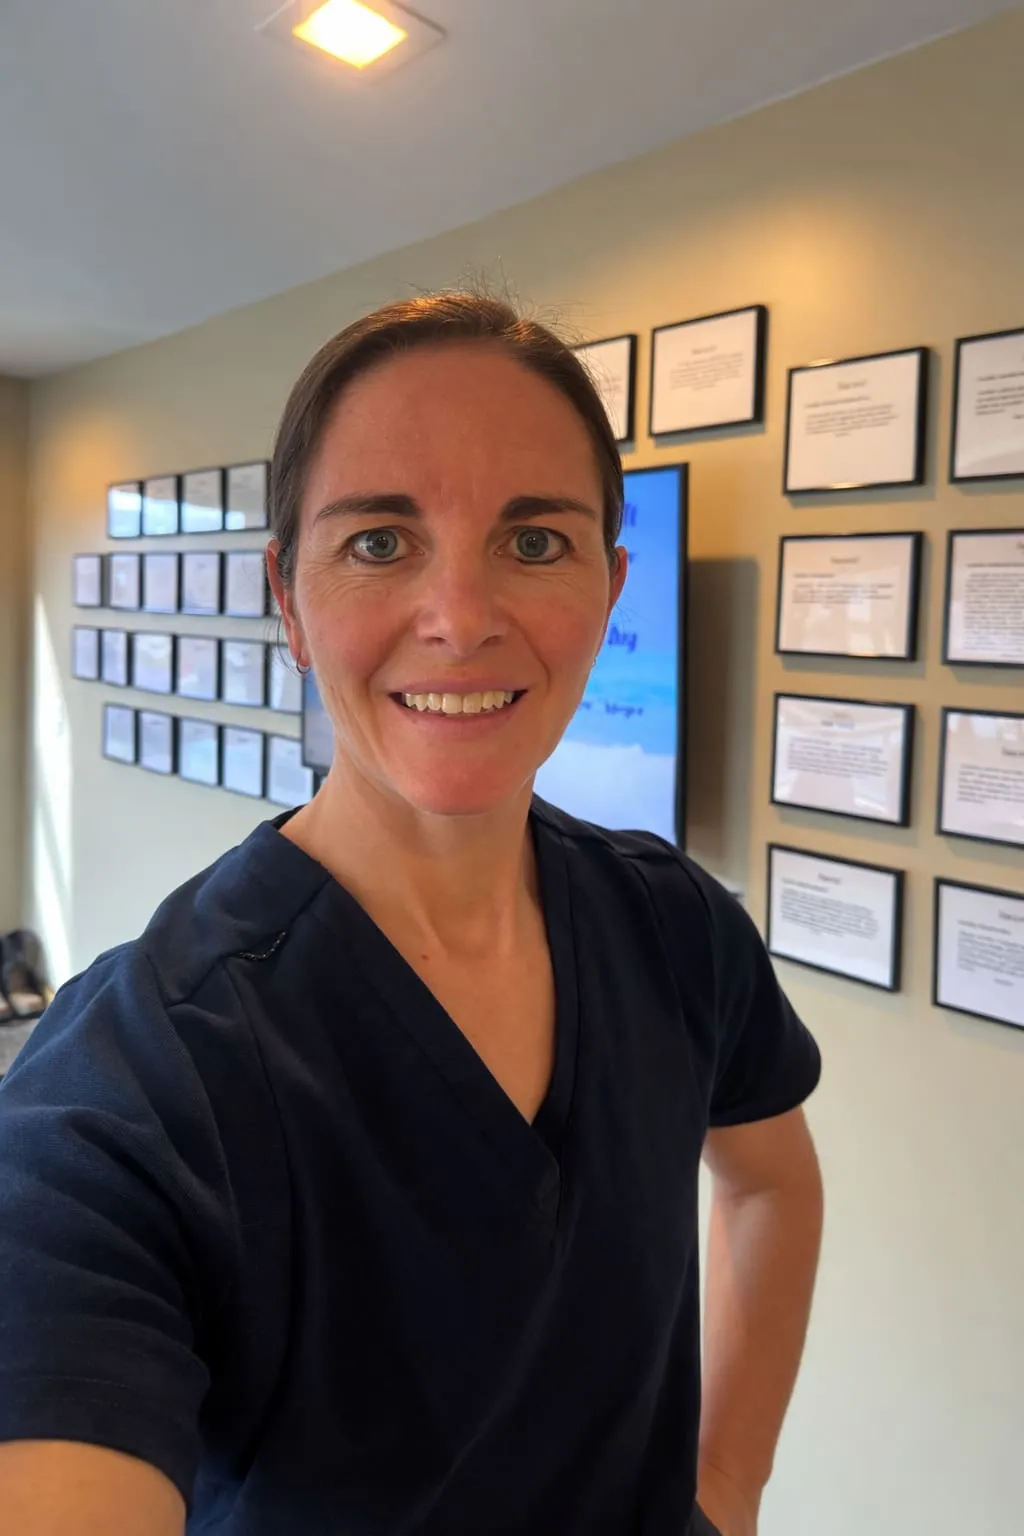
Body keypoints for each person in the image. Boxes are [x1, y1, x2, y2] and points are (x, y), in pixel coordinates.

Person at [0, 293, 823, 1536]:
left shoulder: (676, 929)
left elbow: (770, 1185)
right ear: (287, 600)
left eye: (533, 543)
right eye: (380, 542)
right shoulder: (136, 1079)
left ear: (609, 589)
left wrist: (728, 1488)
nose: (459, 617)